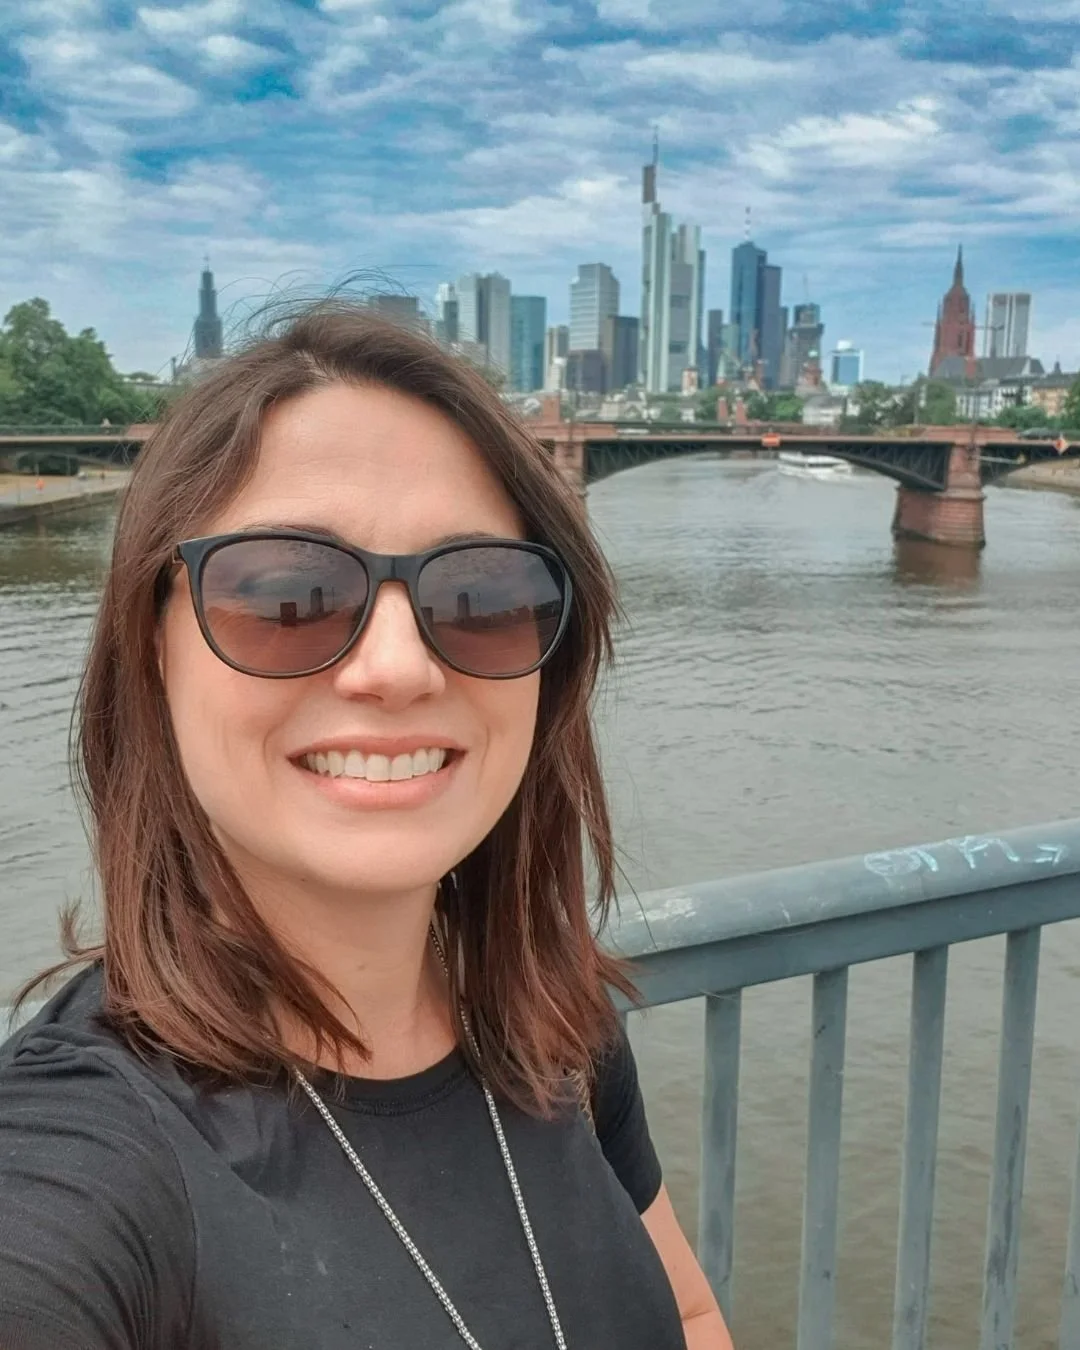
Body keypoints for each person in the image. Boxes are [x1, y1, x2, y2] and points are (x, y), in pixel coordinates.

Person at [0, 304, 733, 1350]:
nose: (399, 668)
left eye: (480, 594)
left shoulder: (549, 1027)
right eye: (287, 592)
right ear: (151, 650)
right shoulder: (91, 1157)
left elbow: (690, 1315)